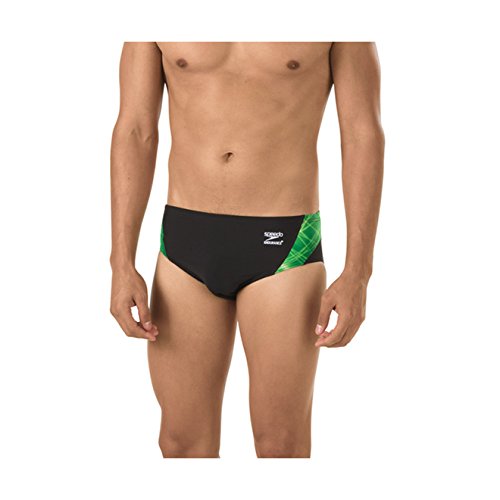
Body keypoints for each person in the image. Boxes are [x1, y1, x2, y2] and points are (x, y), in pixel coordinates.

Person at [109, 42, 384, 458]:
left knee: (280, 445)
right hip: (185, 242)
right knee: (181, 444)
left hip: (284, 244)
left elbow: (362, 133)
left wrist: (358, 272)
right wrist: (121, 262)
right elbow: (135, 129)